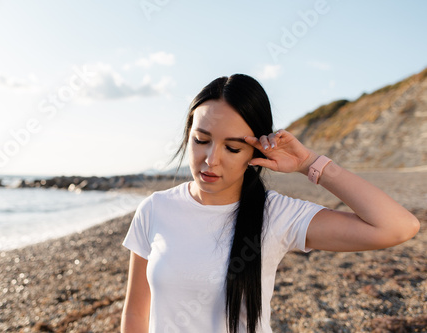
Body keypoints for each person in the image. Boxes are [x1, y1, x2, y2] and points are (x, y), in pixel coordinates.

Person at [120, 74, 420, 333]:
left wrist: (310, 163)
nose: (211, 159)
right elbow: (136, 312)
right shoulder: (155, 209)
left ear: (254, 151)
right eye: (201, 140)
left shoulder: (275, 214)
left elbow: (397, 227)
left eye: (233, 147)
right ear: (189, 135)